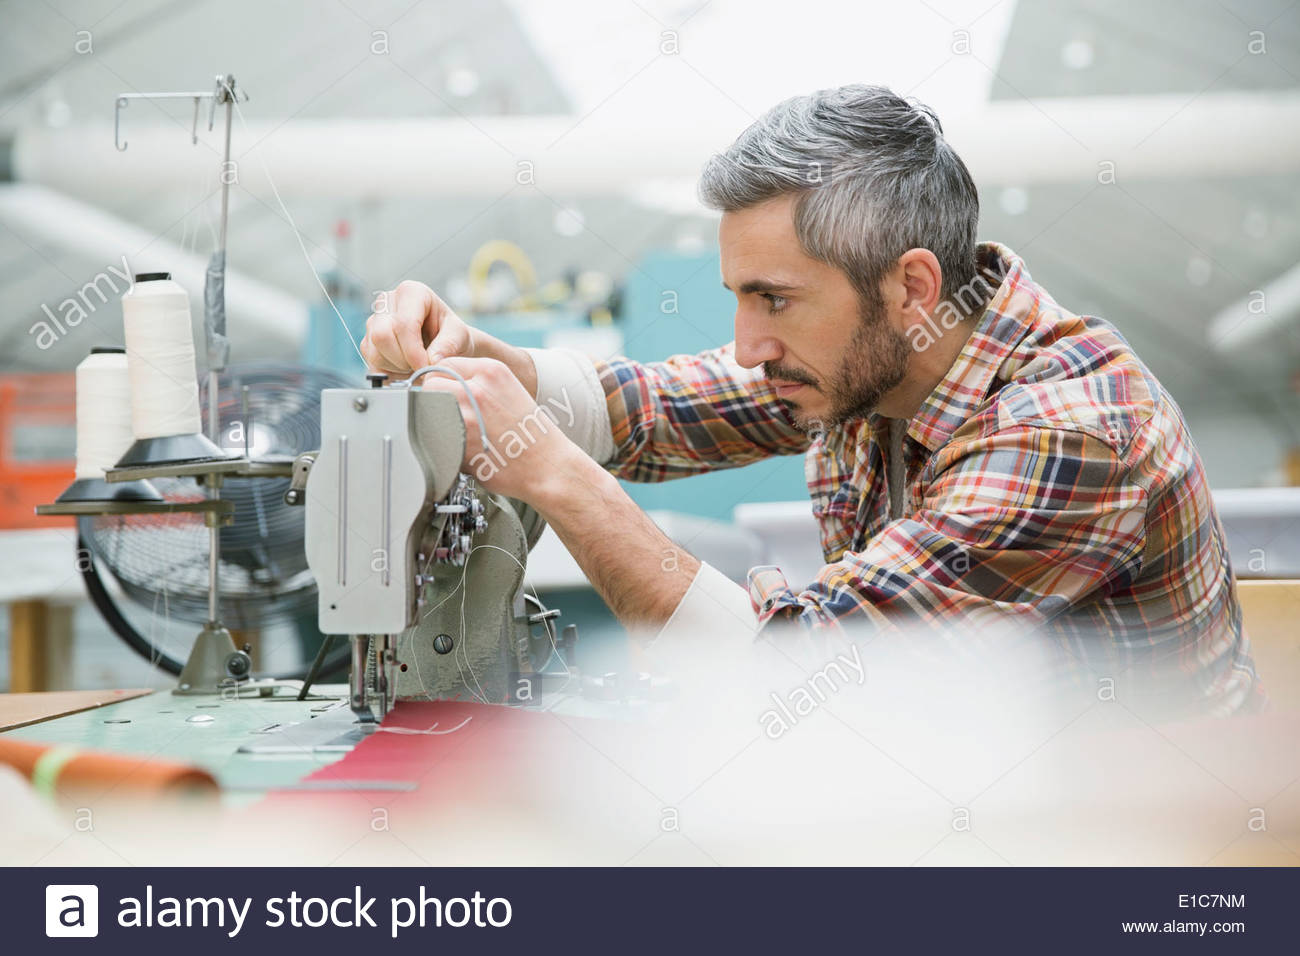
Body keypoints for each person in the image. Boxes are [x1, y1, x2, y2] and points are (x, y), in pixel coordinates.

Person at [362, 84, 1260, 714]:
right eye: (741, 297)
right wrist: (482, 354)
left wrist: (551, 474)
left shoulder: (1072, 433)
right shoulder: (871, 364)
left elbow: (789, 673)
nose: (751, 347)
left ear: (910, 286)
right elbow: (649, 409)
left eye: (776, 299)